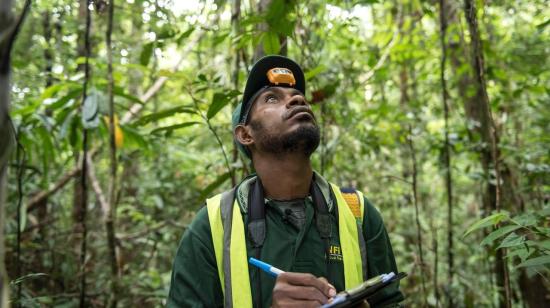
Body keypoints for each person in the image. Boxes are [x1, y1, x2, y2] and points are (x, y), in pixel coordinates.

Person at [167, 55, 404, 307]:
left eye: (297, 95)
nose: (297, 99)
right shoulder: (213, 225)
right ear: (246, 134)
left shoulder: (357, 212)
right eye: (272, 98)